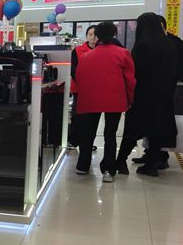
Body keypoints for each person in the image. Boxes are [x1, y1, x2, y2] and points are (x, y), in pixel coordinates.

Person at [116, 12, 180, 176]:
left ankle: (120, 161)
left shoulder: (142, 46)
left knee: (132, 130)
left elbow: (135, 73)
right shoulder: (170, 45)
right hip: (164, 95)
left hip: (143, 95)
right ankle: (151, 165)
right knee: (156, 131)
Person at [74, 21, 135, 182]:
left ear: (97, 36)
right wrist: (130, 99)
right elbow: (130, 80)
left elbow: (79, 78)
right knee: (110, 134)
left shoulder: (86, 56)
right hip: (115, 99)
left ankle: (82, 165)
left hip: (91, 99)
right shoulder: (123, 53)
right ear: (114, 34)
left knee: (88, 132)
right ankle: (108, 170)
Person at [132, 15, 183, 168]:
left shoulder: (145, 45)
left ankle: (154, 160)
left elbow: (138, 71)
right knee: (158, 125)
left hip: (149, 92)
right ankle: (152, 156)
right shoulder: (170, 43)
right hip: (166, 91)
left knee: (151, 126)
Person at [68, 25, 97, 149]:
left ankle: (88, 143)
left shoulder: (101, 51)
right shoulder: (78, 51)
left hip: (96, 91)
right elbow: (73, 70)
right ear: (86, 36)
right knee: (78, 116)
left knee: (92, 119)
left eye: (96, 35)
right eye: (90, 34)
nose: (93, 37)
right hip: (80, 89)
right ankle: (74, 141)